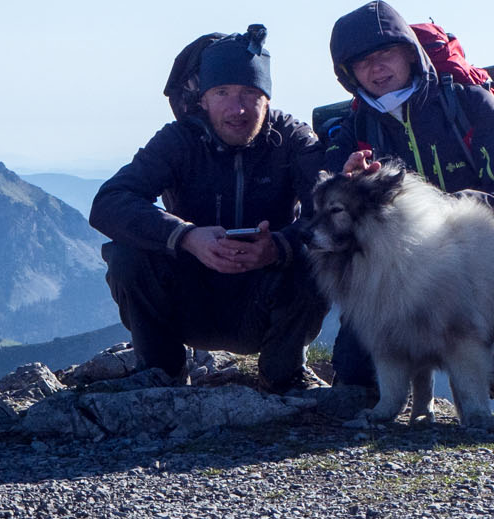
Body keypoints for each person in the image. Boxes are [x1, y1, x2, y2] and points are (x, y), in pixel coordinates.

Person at [323, 0, 494, 426]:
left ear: (410, 53)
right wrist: (344, 179)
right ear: (349, 74)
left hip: (479, 266)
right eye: (362, 64)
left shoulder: (469, 104)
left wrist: (455, 210)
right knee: (355, 376)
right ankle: (410, 399)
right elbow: (324, 195)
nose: (376, 70)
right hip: (394, 280)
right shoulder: (356, 128)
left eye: (386, 55)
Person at [89, 26, 330, 392]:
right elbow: (109, 203)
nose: (237, 108)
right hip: (191, 300)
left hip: (264, 302)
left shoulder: (292, 140)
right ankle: (162, 371)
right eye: (222, 93)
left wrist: (278, 247)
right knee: (127, 257)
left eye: (250, 93)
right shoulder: (179, 140)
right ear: (202, 99)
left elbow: (328, 214)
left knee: (320, 256)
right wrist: (185, 237)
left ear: (267, 98)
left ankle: (284, 374)